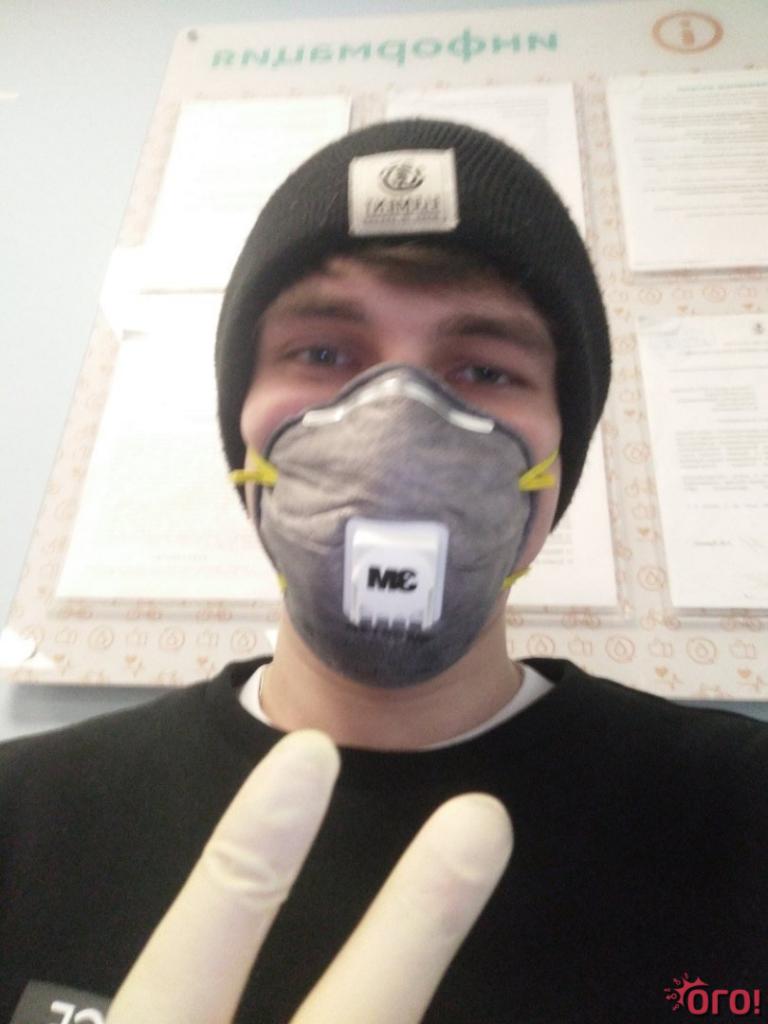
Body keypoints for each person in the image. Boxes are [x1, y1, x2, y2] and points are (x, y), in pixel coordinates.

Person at [1, 119, 767, 1024]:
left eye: (483, 368)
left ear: (559, 461)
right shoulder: (24, 815)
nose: (396, 424)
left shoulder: (738, 814)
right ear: (242, 429)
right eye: (323, 354)